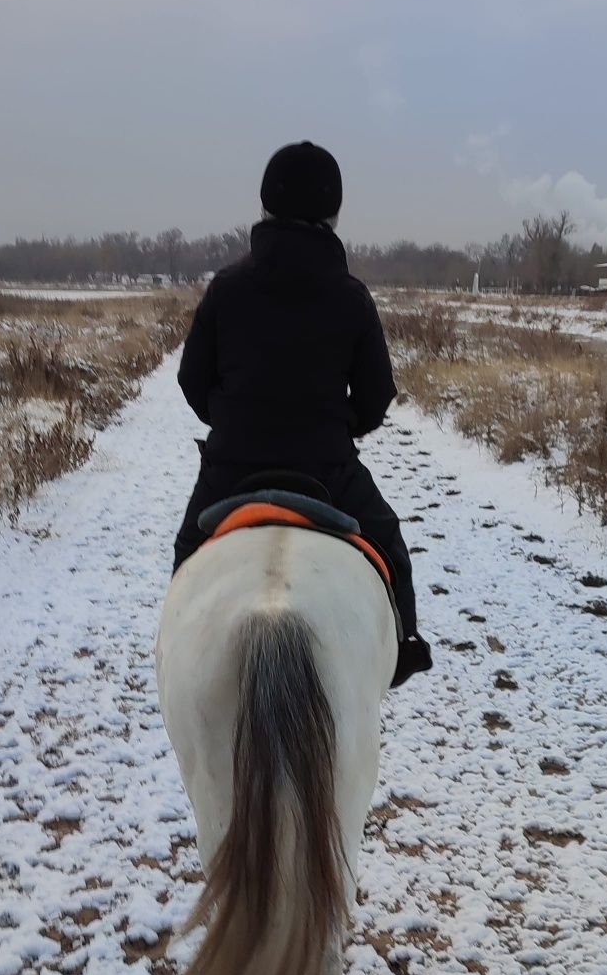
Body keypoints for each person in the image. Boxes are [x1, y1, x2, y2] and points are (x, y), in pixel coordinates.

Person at [172, 142, 433, 688]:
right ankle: (405, 645)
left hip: (231, 468)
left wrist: (229, 419)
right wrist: (339, 426)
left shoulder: (226, 287)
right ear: (333, 214)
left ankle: (175, 656)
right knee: (388, 541)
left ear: (264, 207)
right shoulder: (351, 296)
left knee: (188, 554)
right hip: (328, 471)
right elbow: (376, 396)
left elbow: (191, 380)